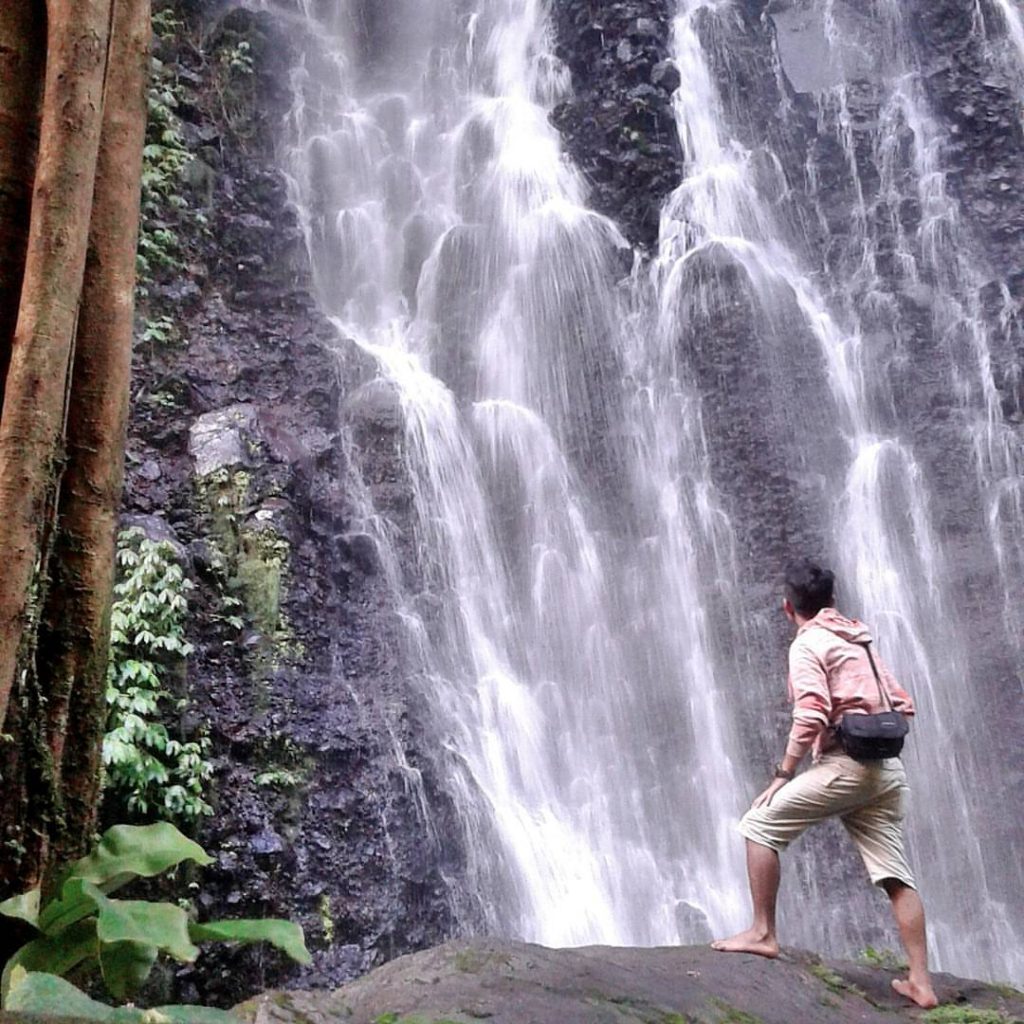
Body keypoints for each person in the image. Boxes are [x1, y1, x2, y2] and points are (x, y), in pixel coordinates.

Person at [710, 559, 938, 1010]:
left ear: (787, 608)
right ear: (832, 600)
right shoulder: (860, 638)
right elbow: (903, 704)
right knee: (895, 875)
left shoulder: (808, 643)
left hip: (847, 765)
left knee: (758, 825)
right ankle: (921, 984)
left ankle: (763, 932)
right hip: (886, 769)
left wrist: (784, 773)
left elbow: (811, 710)